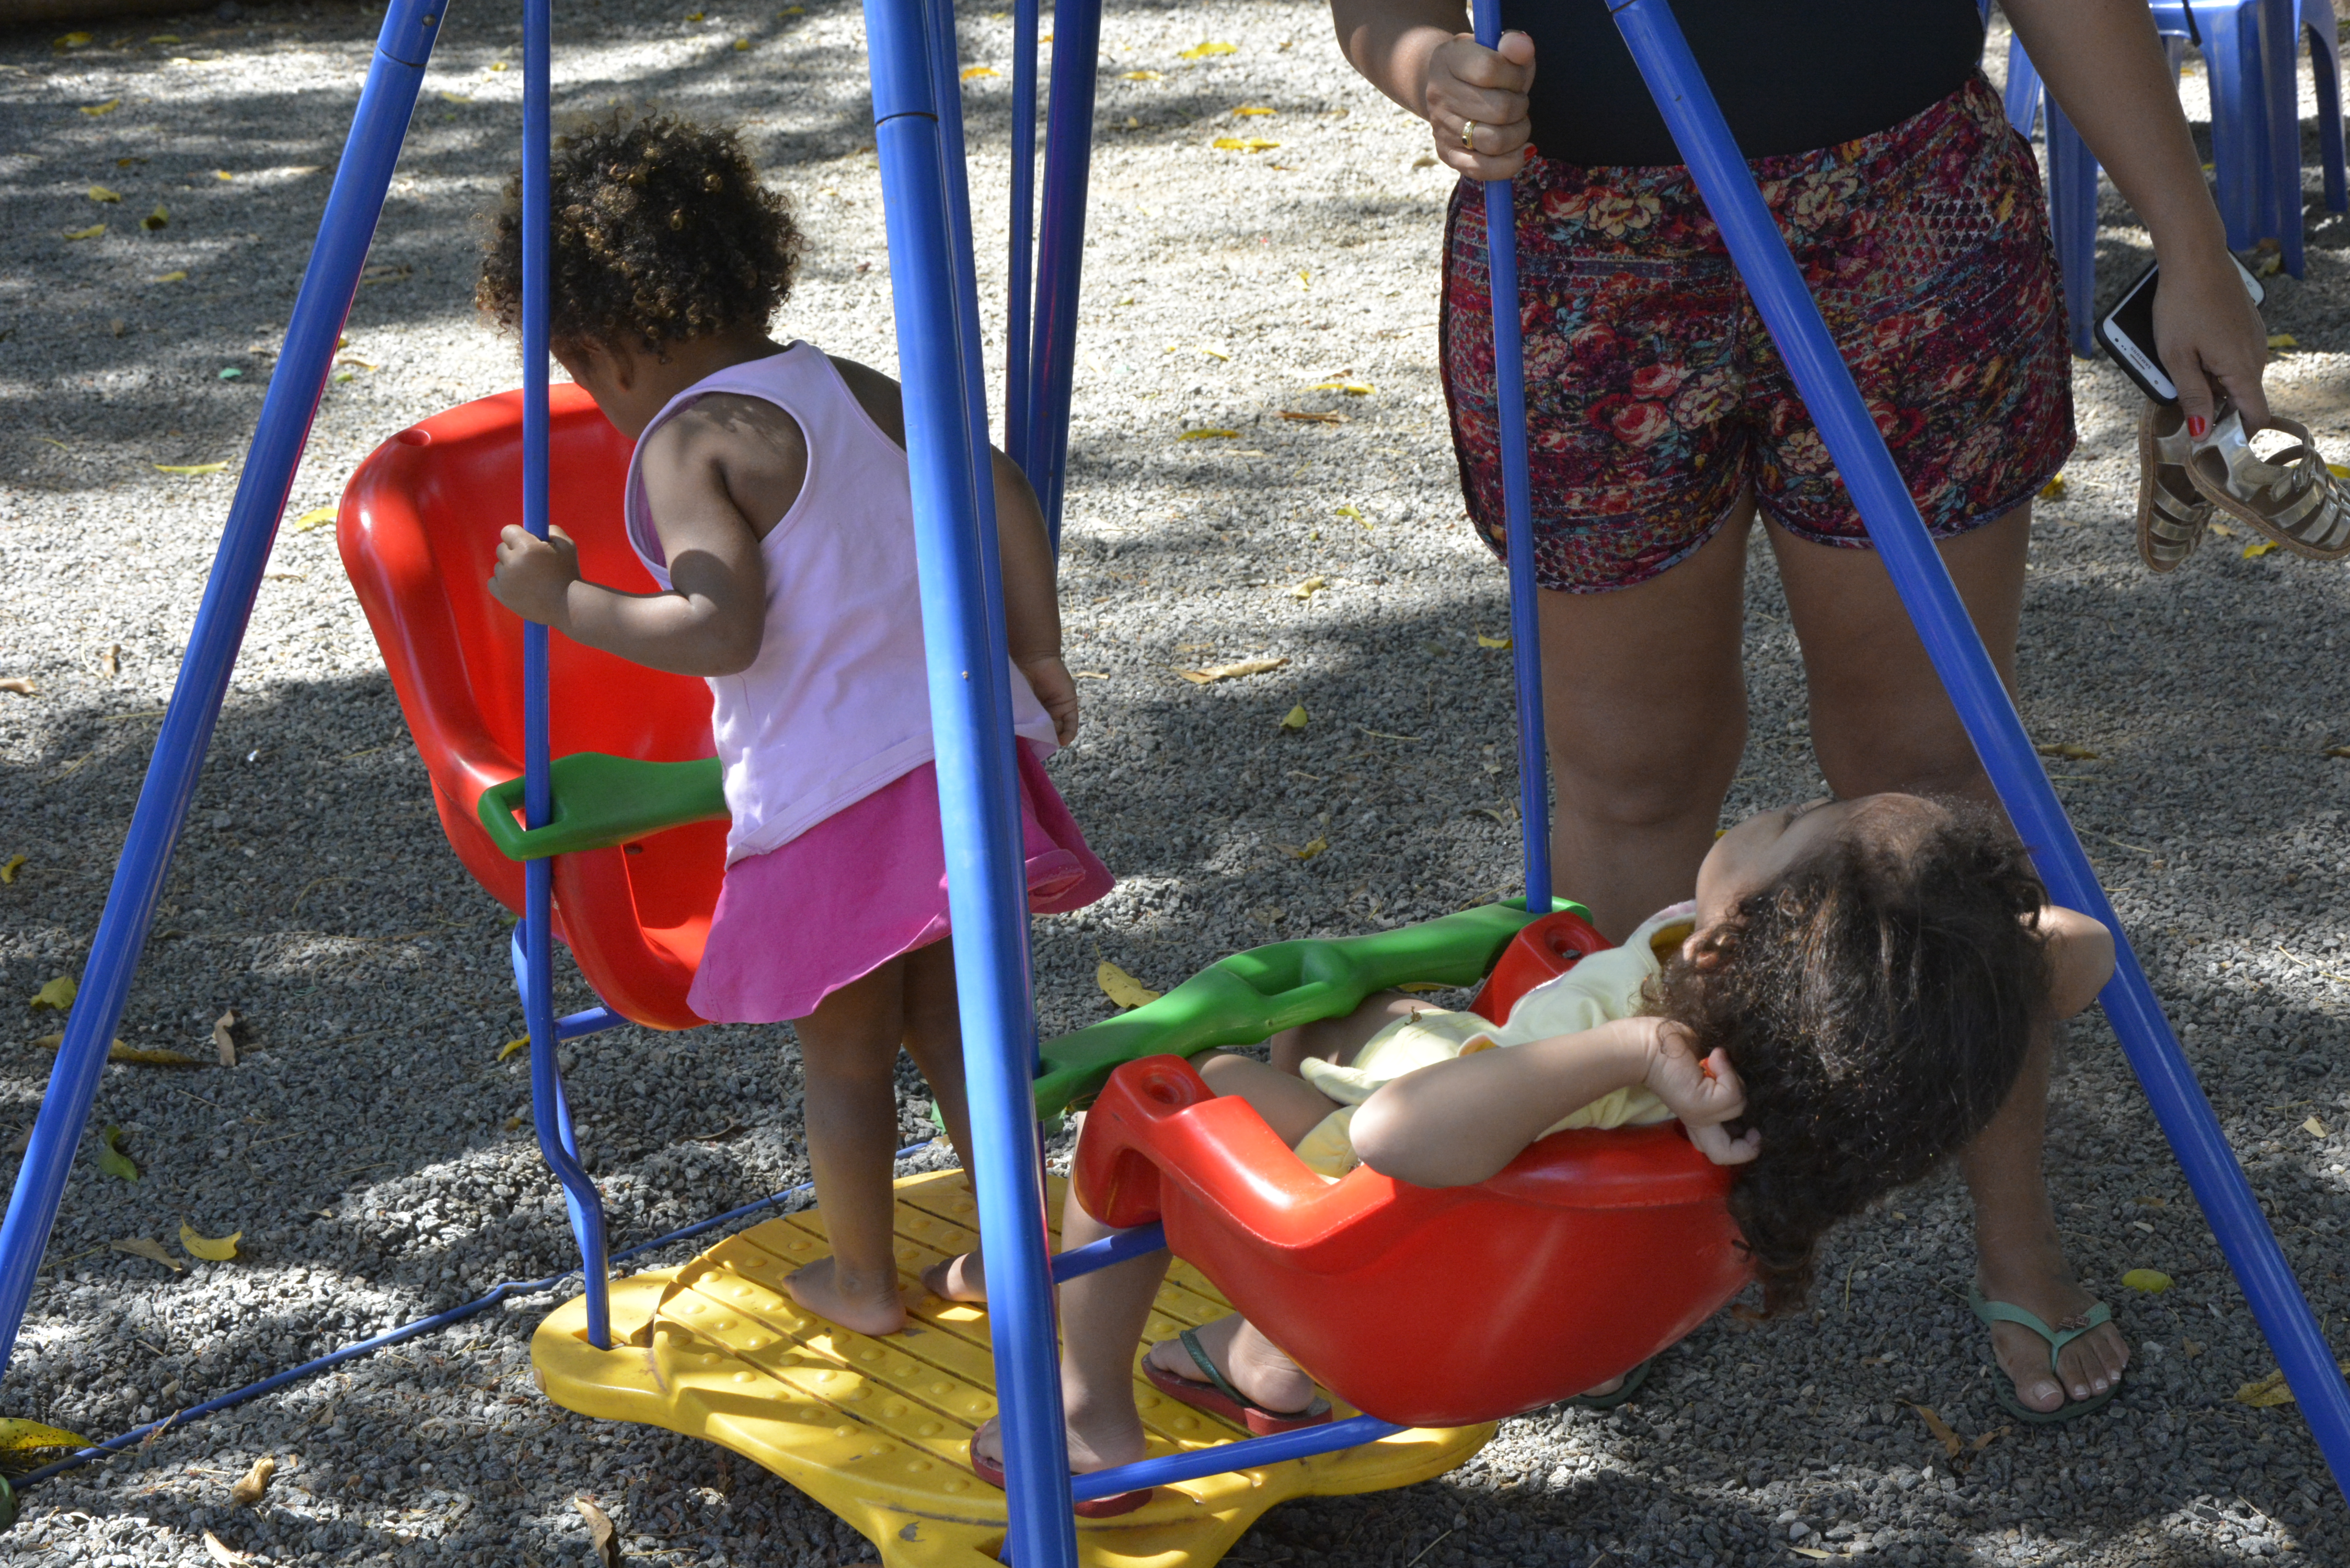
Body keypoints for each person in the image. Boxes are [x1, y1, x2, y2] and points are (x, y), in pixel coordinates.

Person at [1323, 0, 2260, 1418]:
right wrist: (1425, 71)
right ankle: (1630, 1235)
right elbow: (1383, 6)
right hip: (1588, 237)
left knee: (1929, 785)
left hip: (1904, 214)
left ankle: (2016, 1232)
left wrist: (2189, 245)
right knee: (1635, 776)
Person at [972, 793, 2119, 1508]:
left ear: (1724, 947)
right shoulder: (1828, 1067)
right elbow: (2083, 954)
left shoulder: (1624, 1043)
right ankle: (1266, 1367)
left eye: (1778, 823)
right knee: (1338, 1024)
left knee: (1172, 1100)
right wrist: (1970, 933)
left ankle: (1082, 1414)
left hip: (1391, 1256)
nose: (1767, 810)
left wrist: (1621, 1046)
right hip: (1554, 1289)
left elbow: (1389, 1137)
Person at [474, 110, 1112, 1337]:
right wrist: (1035, 648)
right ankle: (1020, 1247)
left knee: (847, 1051)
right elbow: (1001, 486)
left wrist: (566, 602)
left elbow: (721, 633)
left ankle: (865, 1285)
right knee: (957, 1023)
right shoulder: (844, 383)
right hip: (956, 759)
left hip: (835, 794)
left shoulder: (686, 441)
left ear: (604, 351)